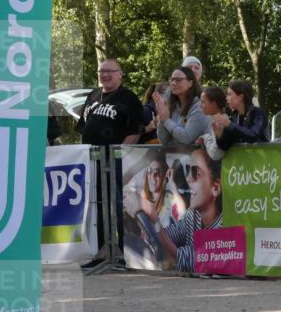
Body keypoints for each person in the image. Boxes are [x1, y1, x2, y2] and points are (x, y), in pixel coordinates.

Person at [78, 58, 145, 262]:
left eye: (110, 71)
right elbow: (83, 126)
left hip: (116, 163)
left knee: (118, 206)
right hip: (92, 161)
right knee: (96, 206)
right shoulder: (93, 95)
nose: (105, 75)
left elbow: (135, 132)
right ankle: (101, 252)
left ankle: (125, 253)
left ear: (120, 74)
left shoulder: (128, 98)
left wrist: (118, 156)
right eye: (101, 71)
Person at [152, 147, 222, 275]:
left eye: (195, 172)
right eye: (188, 170)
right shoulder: (193, 214)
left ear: (215, 188)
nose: (188, 178)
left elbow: (182, 258)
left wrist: (152, 218)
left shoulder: (224, 226)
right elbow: (172, 234)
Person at [155, 66, 210, 147]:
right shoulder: (172, 105)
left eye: (178, 80)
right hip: (175, 156)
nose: (173, 83)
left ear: (190, 83)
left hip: (197, 155)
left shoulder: (200, 107)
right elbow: (163, 140)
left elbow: (187, 138)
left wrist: (166, 120)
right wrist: (162, 119)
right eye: (172, 79)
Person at [212, 79, 269, 152]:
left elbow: (253, 135)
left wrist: (229, 124)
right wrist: (219, 134)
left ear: (240, 97)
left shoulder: (258, 113)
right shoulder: (234, 117)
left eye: (229, 94)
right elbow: (225, 146)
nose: (226, 98)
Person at [198, 85, 228, 160]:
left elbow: (215, 154)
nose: (200, 106)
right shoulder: (216, 120)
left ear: (213, 104)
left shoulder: (220, 122)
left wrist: (206, 137)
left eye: (203, 102)